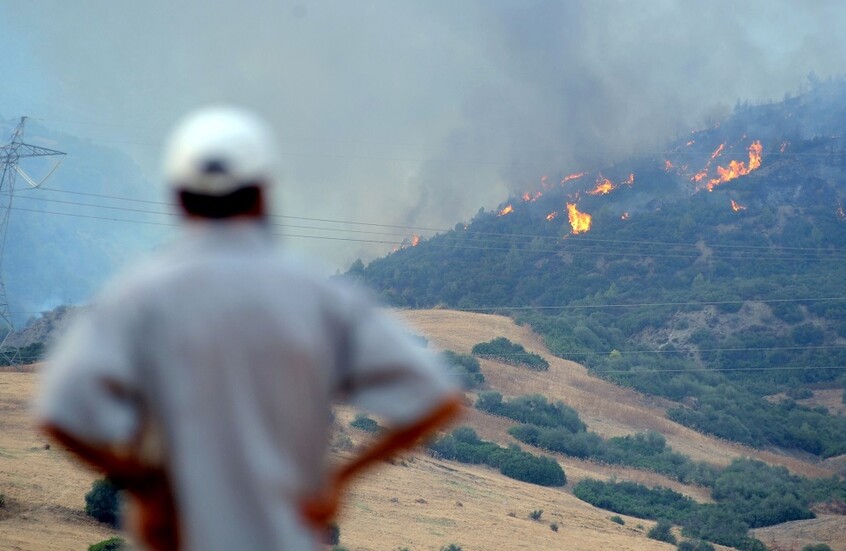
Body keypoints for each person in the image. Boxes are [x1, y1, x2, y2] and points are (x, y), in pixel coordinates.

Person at [36, 106, 462, 550]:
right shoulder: (320, 297)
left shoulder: (140, 296)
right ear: (263, 193)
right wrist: (339, 480)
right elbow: (438, 399)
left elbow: (57, 413)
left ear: (179, 198)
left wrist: (145, 484)